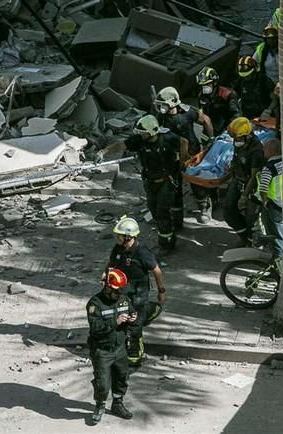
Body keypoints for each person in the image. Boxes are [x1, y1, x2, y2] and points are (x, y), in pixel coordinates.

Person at [98, 115, 188, 256]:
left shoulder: (168, 138)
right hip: (150, 181)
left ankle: (167, 244)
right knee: (153, 208)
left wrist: (183, 162)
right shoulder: (140, 141)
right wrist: (103, 152)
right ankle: (172, 228)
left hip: (166, 180)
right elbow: (121, 145)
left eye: (143, 132)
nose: (140, 135)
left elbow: (184, 142)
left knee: (161, 211)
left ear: (152, 131)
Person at [103, 216, 166, 366]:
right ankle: (149, 311)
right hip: (122, 291)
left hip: (139, 293)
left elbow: (157, 271)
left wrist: (161, 291)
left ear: (128, 237)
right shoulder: (118, 249)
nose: (117, 238)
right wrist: (106, 276)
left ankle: (136, 355)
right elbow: (111, 264)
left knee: (135, 323)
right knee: (123, 317)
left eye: (119, 235)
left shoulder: (142, 252)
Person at [153, 86, 215, 224]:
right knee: (174, 186)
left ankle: (204, 208)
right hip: (171, 156)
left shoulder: (188, 112)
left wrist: (210, 140)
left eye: (163, 104)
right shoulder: (160, 117)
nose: (160, 108)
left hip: (191, 154)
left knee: (197, 182)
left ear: (173, 102)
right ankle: (177, 216)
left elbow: (206, 121)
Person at [86, 269, 135, 424]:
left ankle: (117, 404)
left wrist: (133, 317)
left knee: (122, 377)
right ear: (107, 287)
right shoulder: (95, 304)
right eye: (116, 290)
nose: (119, 293)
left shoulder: (123, 299)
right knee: (103, 383)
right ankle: (100, 405)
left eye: (121, 290)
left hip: (120, 348)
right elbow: (95, 328)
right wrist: (115, 322)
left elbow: (132, 311)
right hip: (102, 351)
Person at [224, 117, 265, 246]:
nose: (236, 141)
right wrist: (231, 168)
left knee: (251, 219)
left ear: (247, 136)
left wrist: (244, 196)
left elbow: (254, 176)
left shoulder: (256, 150)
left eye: (238, 138)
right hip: (238, 179)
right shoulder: (239, 141)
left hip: (250, 186)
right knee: (229, 211)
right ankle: (245, 237)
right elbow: (237, 158)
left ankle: (254, 241)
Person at [258, 137, 283, 258]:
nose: (263, 151)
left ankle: (279, 263)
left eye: (264, 149)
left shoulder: (269, 167)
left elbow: (263, 188)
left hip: (275, 205)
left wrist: (264, 201)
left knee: (276, 236)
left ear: (271, 151)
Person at [196, 66, 242, 134]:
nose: (204, 87)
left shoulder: (228, 94)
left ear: (214, 82)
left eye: (207, 84)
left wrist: (229, 129)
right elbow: (202, 113)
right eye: (202, 85)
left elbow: (237, 114)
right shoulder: (201, 96)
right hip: (210, 128)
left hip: (228, 128)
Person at [233, 55, 275, 120]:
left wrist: (268, 111)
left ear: (254, 71)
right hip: (248, 116)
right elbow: (234, 95)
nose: (245, 78)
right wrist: (236, 109)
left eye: (248, 76)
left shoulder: (263, 79)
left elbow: (275, 97)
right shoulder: (241, 80)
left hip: (264, 116)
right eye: (244, 76)